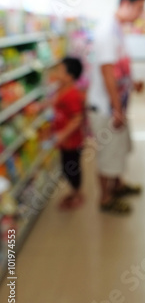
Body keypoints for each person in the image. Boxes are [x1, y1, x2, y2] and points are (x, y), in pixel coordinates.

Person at [87, 0, 145, 214]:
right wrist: (116, 109)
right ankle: (105, 199)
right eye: (140, 8)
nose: (141, 14)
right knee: (108, 155)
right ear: (126, 4)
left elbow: (119, 69)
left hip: (116, 105)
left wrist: (132, 84)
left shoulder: (118, 30)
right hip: (106, 109)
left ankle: (119, 186)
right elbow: (107, 73)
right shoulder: (106, 31)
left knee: (119, 150)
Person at [53, 57, 85, 210]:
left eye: (60, 70)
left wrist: (63, 134)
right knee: (66, 168)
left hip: (73, 142)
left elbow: (77, 119)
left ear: (69, 76)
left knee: (72, 169)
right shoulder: (62, 89)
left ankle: (77, 194)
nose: (56, 73)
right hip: (65, 142)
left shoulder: (72, 94)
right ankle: (74, 191)